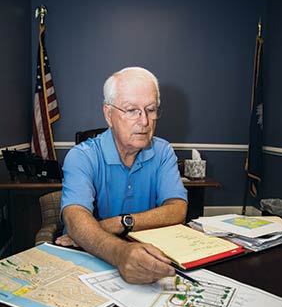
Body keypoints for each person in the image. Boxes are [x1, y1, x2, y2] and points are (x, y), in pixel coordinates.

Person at [56, 67, 188, 284]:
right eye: (131, 110)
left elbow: (177, 209)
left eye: (151, 109)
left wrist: (118, 223)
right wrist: (120, 253)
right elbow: (74, 218)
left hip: (147, 256)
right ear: (109, 114)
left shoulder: (163, 151)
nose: (145, 121)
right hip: (87, 259)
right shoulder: (81, 156)